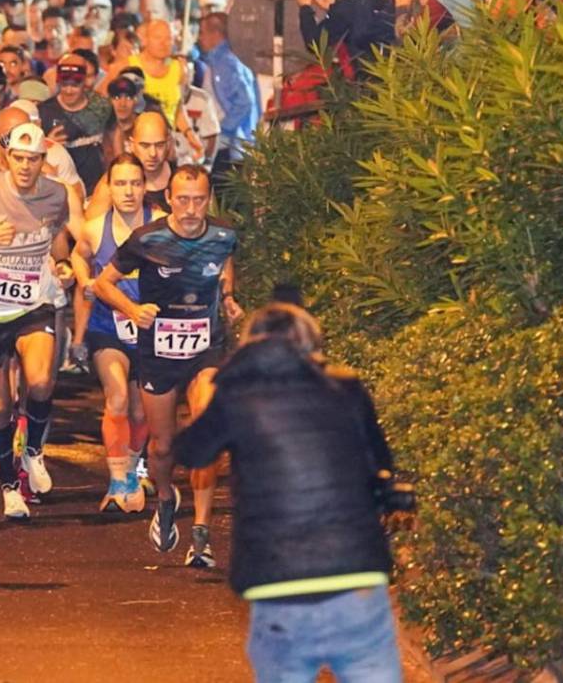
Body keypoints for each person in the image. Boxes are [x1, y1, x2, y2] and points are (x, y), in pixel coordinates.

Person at [178, 303, 403, 681]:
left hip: (277, 582)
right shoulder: (346, 388)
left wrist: (226, 380)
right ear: (312, 345)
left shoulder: (236, 396)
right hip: (356, 576)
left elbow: (191, 451)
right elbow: (381, 464)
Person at [92, 165, 243, 568]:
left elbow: (225, 262)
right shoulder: (147, 239)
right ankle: (165, 496)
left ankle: (202, 534)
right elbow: (101, 283)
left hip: (203, 350)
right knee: (162, 446)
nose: (191, 209)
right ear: (169, 200)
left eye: (199, 200)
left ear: (208, 200)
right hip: (158, 353)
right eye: (183, 199)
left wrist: (227, 297)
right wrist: (131, 307)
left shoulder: (224, 234)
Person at [0, 122, 79, 519]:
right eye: (19, 159)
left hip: (34, 302)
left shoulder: (56, 193)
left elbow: (57, 234)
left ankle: (35, 451)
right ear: (7, 157)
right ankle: (9, 486)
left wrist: (61, 263)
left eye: (33, 159)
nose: (25, 167)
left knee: (41, 381)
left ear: (45, 159)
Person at [69, 154, 159, 512]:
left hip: (150, 330)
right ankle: (118, 477)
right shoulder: (95, 227)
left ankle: (133, 466)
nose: (128, 191)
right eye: (120, 183)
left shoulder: (161, 225)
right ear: (108, 186)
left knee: (141, 413)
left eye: (135, 183)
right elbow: (79, 254)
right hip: (108, 326)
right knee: (117, 396)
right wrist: (85, 279)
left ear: (145, 186)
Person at [196, 13, 260, 182]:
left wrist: (223, 130)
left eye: (203, 32)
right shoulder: (220, 61)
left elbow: (245, 101)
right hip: (226, 146)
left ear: (216, 33)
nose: (200, 38)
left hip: (230, 149)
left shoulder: (226, 62)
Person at [38, 54, 115, 194]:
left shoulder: (101, 106)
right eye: (64, 84)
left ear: (85, 81)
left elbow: (115, 143)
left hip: (98, 188)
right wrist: (49, 145)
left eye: (75, 85)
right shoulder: (44, 111)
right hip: (61, 190)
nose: (68, 90)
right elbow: (34, 155)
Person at [87, 111, 174, 217]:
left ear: (168, 144)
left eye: (159, 145)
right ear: (132, 145)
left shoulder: (180, 178)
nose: (153, 153)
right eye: (145, 146)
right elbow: (91, 226)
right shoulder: (115, 179)